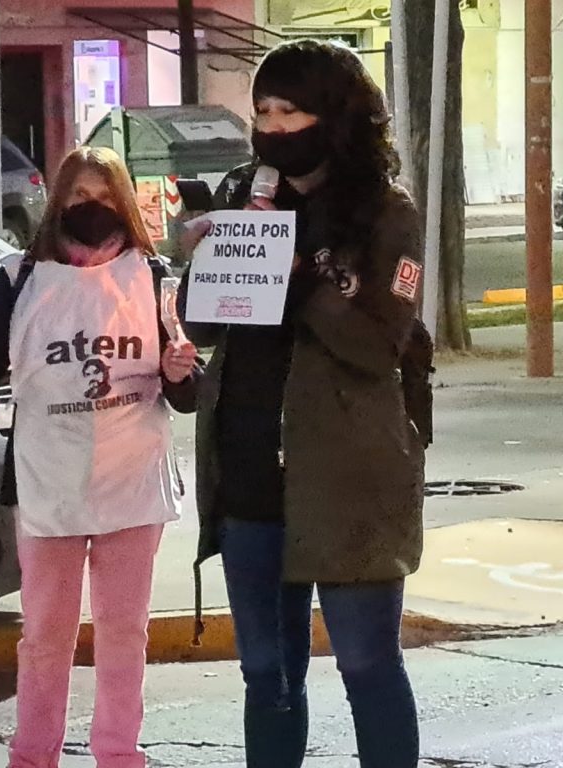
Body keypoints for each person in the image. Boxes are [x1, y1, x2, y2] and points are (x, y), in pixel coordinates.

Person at [179, 40, 427, 768]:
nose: (273, 128)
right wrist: (207, 257)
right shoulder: (246, 192)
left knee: (366, 665)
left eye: (290, 111)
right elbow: (202, 326)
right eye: (262, 112)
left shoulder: (384, 212)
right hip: (250, 471)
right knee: (267, 675)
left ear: (335, 114)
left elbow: (379, 344)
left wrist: (301, 279)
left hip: (347, 474)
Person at [0, 146, 201, 768]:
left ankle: (119, 754)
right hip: (46, 483)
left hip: (132, 482)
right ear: (58, 203)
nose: (92, 208)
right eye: (80, 196)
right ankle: (32, 756)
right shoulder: (19, 278)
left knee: (124, 634)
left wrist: (180, 371)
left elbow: (187, 392)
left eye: (105, 197)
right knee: (44, 637)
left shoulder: (153, 277)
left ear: (125, 203)